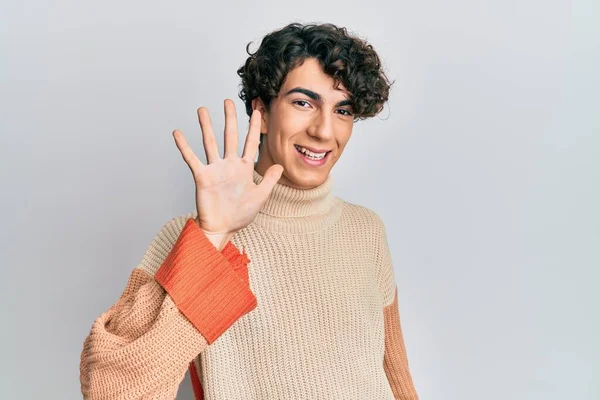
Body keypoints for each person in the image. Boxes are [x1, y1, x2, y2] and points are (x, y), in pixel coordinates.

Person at [79, 22, 419, 400]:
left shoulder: (366, 229)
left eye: (342, 109)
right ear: (262, 109)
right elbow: (114, 391)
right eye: (303, 103)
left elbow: (395, 375)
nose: (325, 131)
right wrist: (212, 236)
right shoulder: (194, 238)